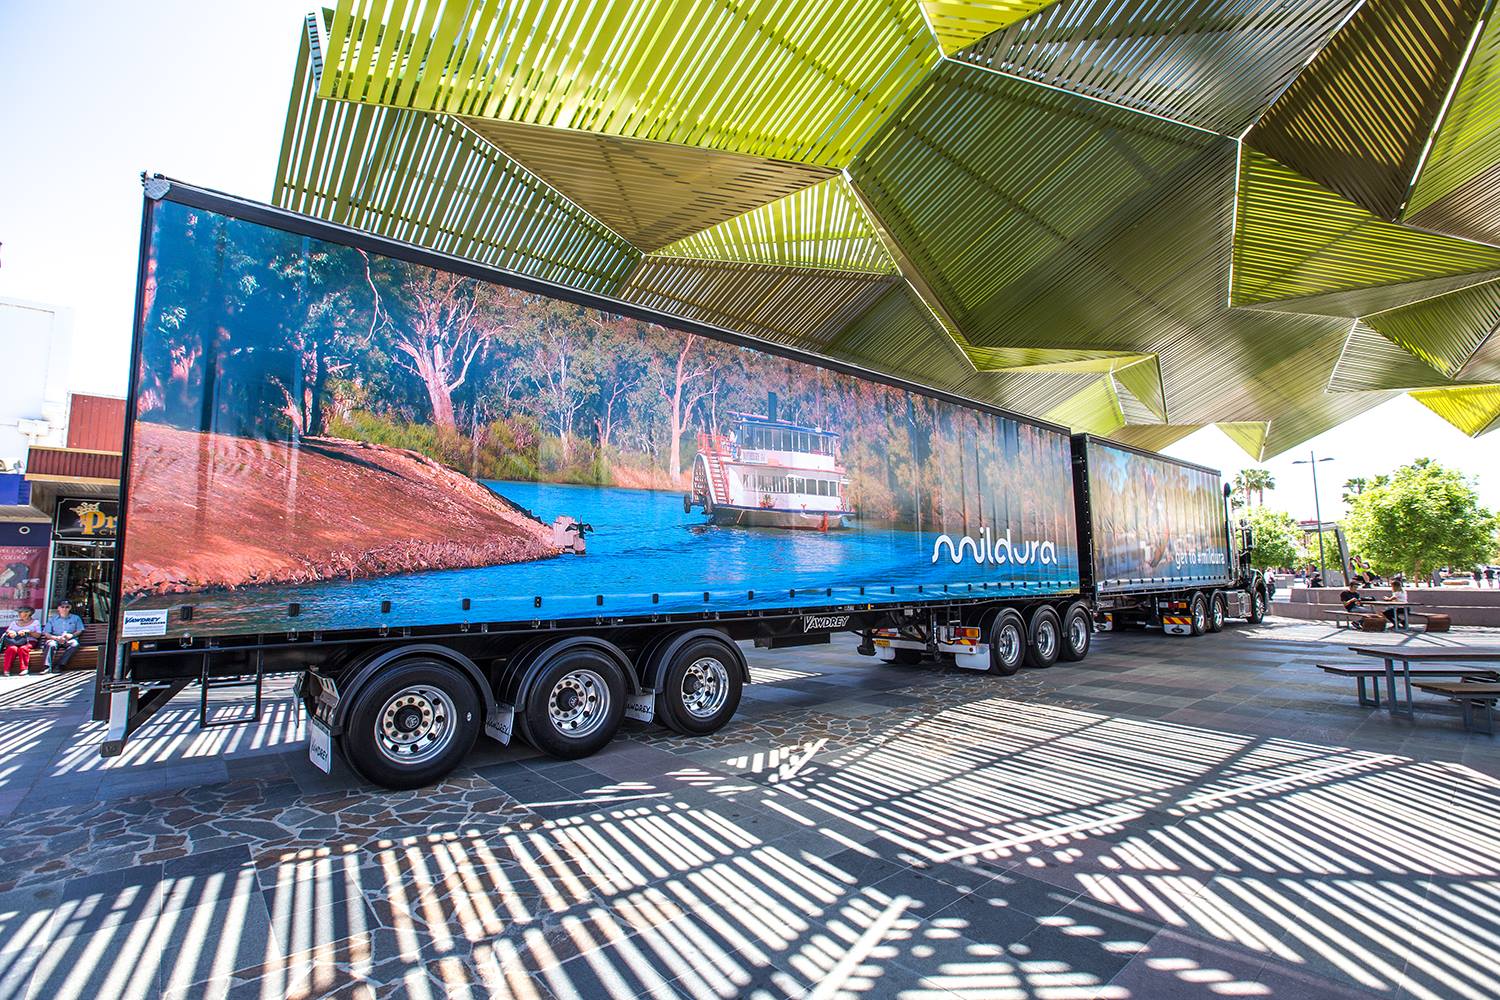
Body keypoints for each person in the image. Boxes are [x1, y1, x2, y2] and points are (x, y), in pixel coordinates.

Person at [42, 600, 84, 672]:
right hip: (55, 638)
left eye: (67, 607)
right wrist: (56, 638)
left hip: (69, 639)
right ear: (58, 608)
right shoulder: (53, 619)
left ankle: (60, 665)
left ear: (70, 608)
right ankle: (47, 667)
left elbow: (80, 630)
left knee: (75, 644)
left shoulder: (76, 618)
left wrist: (71, 635)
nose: (64, 609)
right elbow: (46, 633)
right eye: (62, 607)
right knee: (50, 644)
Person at [2, 608, 40, 676]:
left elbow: (38, 635)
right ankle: (6, 669)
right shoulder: (14, 623)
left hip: (29, 641)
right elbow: (7, 632)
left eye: (20, 612)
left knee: (23, 648)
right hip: (15, 641)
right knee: (12, 649)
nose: (19, 614)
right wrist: (11, 632)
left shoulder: (35, 622)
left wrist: (28, 632)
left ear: (28, 613)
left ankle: (24, 669)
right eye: (19, 612)